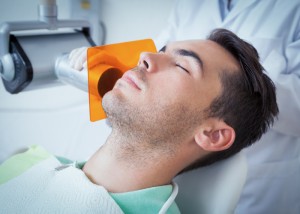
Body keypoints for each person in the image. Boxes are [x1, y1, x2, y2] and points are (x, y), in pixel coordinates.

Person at [0, 29, 278, 213]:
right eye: (161, 50)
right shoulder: (30, 161)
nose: (145, 57)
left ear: (213, 135)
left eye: (182, 66)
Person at [155, 0, 300, 213]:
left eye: (183, 67)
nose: (144, 60)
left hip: (261, 182)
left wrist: (242, 85)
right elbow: (161, 52)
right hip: (182, 171)